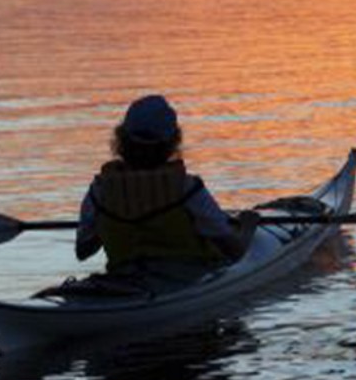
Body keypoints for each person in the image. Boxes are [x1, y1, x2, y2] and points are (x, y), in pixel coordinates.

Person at [74, 95, 258, 277]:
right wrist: (248, 225)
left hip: (124, 279)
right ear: (172, 142)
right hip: (187, 281)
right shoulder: (186, 188)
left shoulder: (100, 191)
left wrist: (114, 221)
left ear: (121, 140)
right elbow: (236, 251)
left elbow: (83, 251)